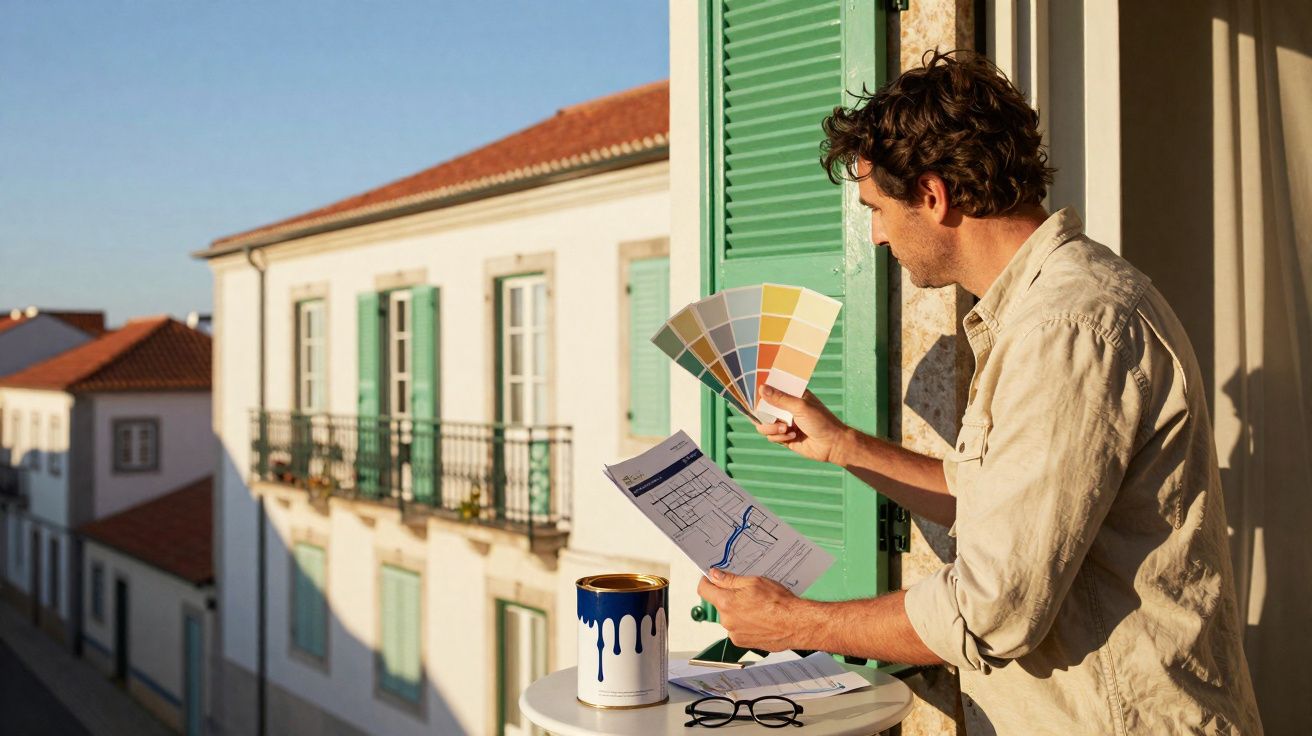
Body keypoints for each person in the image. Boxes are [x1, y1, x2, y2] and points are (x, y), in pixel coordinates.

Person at [697, 50, 1262, 734]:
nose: (874, 235)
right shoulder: (1050, 311)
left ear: (933, 197)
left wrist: (794, 623)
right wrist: (841, 445)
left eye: (876, 208)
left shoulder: (1068, 329)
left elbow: (993, 606)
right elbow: (995, 498)